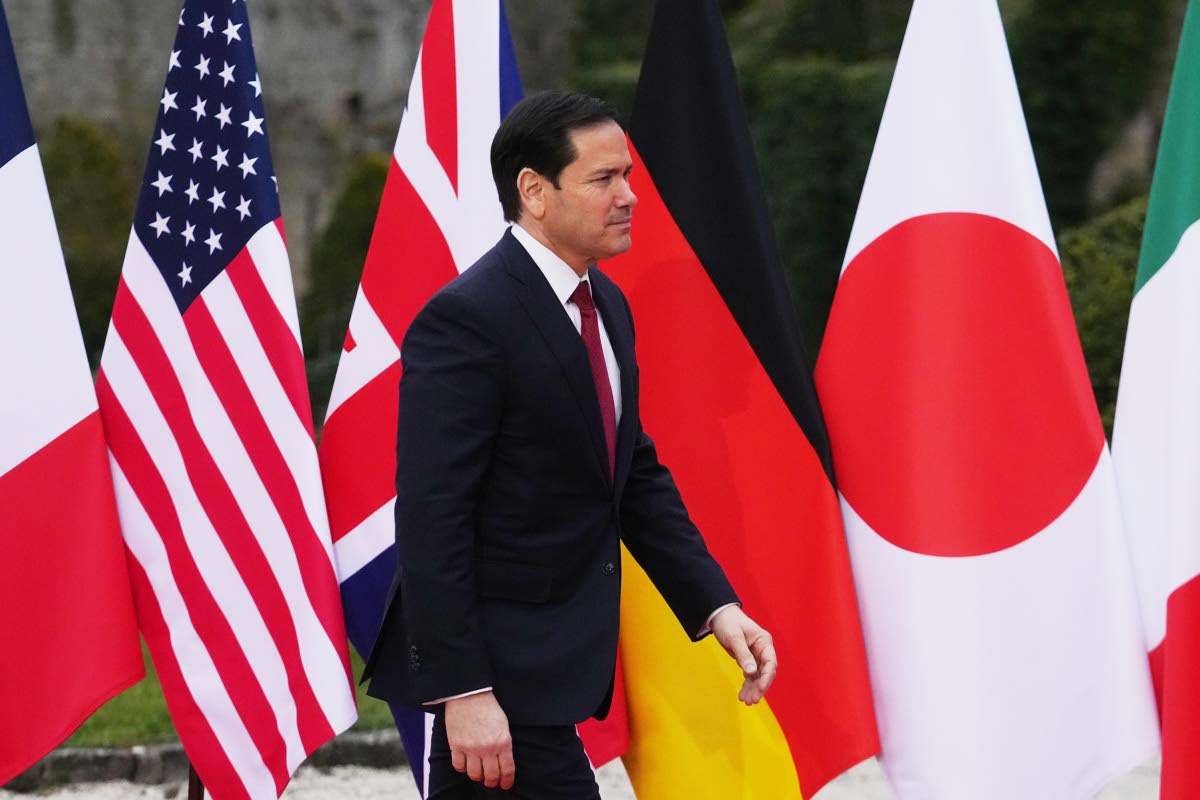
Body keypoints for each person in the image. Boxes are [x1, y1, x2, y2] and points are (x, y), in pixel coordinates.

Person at [362, 91, 777, 799]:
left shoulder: (606, 305)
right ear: (535, 191)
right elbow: (434, 518)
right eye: (603, 179)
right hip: (499, 684)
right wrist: (464, 692)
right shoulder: (466, 319)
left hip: (555, 675)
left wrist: (716, 605)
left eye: (627, 176)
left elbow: (631, 474)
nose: (629, 196)